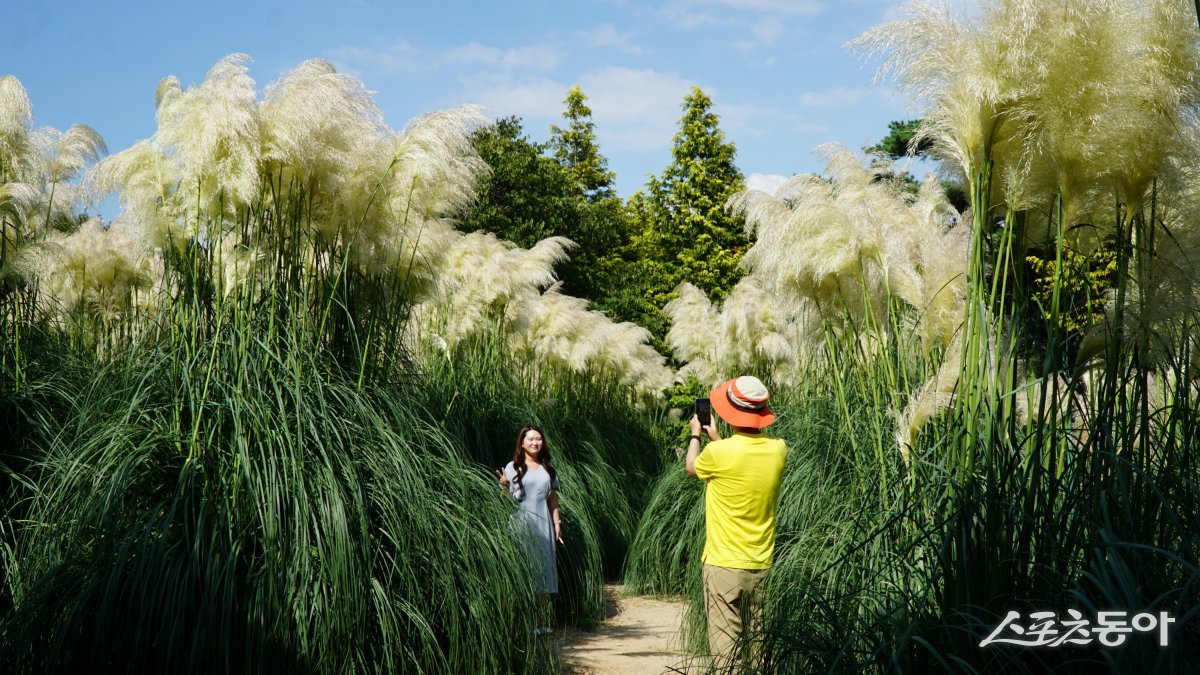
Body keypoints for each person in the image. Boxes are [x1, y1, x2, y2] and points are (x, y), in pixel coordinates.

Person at [685, 375, 787, 664]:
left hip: (723, 566)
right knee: (759, 652)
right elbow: (743, 459)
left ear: (732, 413)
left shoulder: (718, 453)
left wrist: (697, 435)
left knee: (726, 654)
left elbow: (692, 467)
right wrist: (717, 439)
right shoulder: (778, 450)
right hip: (762, 565)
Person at [496, 425, 564, 633]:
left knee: (543, 572)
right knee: (524, 571)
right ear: (522, 443)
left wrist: (557, 524)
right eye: (530, 439)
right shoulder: (512, 467)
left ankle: (540, 624)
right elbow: (507, 501)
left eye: (538, 439)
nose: (535, 442)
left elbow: (552, 498)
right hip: (521, 524)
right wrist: (505, 487)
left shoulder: (548, 468)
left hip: (544, 525)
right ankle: (521, 623)